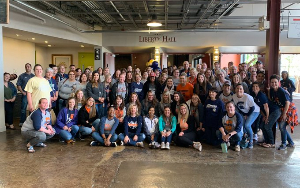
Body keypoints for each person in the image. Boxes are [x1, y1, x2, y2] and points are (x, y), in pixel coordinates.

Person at [269, 75, 296, 150]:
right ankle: (291, 143)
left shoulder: (281, 91)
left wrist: (284, 114)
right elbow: (272, 100)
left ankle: (283, 144)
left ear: (278, 83)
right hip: (282, 109)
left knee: (281, 126)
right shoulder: (271, 90)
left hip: (288, 109)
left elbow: (287, 103)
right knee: (282, 127)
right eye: (272, 82)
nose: (273, 84)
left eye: (275, 82)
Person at [251, 82, 278, 148]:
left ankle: (271, 143)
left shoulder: (261, 95)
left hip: (274, 111)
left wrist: (267, 117)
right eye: (253, 86)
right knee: (262, 126)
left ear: (259, 88)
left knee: (267, 126)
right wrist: (264, 116)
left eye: (256, 86)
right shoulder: (254, 96)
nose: (255, 88)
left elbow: (266, 106)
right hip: (266, 113)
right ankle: (266, 141)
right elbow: (259, 108)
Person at [232, 84, 260, 149]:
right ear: (235, 90)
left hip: (254, 111)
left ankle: (251, 141)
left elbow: (252, 108)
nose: (239, 90)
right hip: (245, 111)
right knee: (243, 125)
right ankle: (245, 139)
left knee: (247, 125)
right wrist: (243, 114)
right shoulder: (234, 96)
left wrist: (247, 115)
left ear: (243, 90)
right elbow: (238, 106)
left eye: (240, 89)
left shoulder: (247, 97)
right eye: (237, 88)